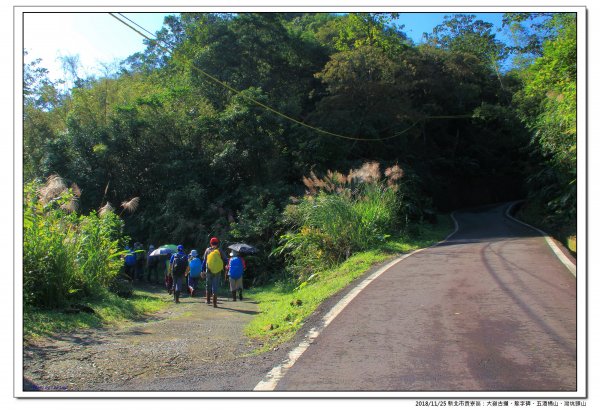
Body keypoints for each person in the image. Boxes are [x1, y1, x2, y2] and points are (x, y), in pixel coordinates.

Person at [202, 237, 226, 308]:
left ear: (210, 243)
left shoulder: (207, 250)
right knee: (215, 286)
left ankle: (208, 300)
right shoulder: (219, 250)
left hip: (208, 270)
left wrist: (202, 270)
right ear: (217, 243)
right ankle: (214, 304)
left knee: (208, 285)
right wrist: (225, 265)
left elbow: (204, 261)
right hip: (217, 271)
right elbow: (225, 259)